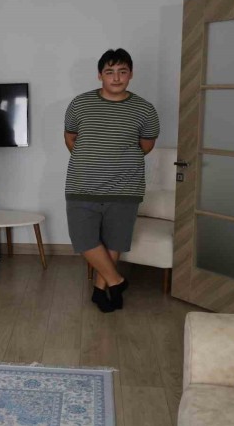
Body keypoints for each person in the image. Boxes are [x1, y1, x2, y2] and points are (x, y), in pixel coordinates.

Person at [64, 48, 160, 313]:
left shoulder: (145, 109)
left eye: (122, 72)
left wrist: (119, 161)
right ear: (100, 75)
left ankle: (101, 291)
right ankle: (117, 281)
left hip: (125, 188)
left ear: (130, 74)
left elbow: (146, 144)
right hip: (82, 185)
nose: (116, 78)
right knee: (84, 240)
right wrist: (91, 160)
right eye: (109, 72)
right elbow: (70, 138)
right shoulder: (80, 104)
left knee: (114, 242)